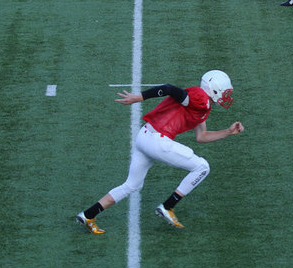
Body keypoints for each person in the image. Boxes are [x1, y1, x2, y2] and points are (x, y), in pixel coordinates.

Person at [76, 70, 242, 234]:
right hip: (158, 140)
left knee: (132, 184)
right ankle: (168, 206)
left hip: (145, 136)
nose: (227, 96)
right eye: (225, 92)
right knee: (203, 167)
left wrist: (227, 132)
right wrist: (138, 97)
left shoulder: (203, 105)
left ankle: (88, 215)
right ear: (214, 89)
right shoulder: (200, 97)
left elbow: (202, 136)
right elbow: (169, 88)